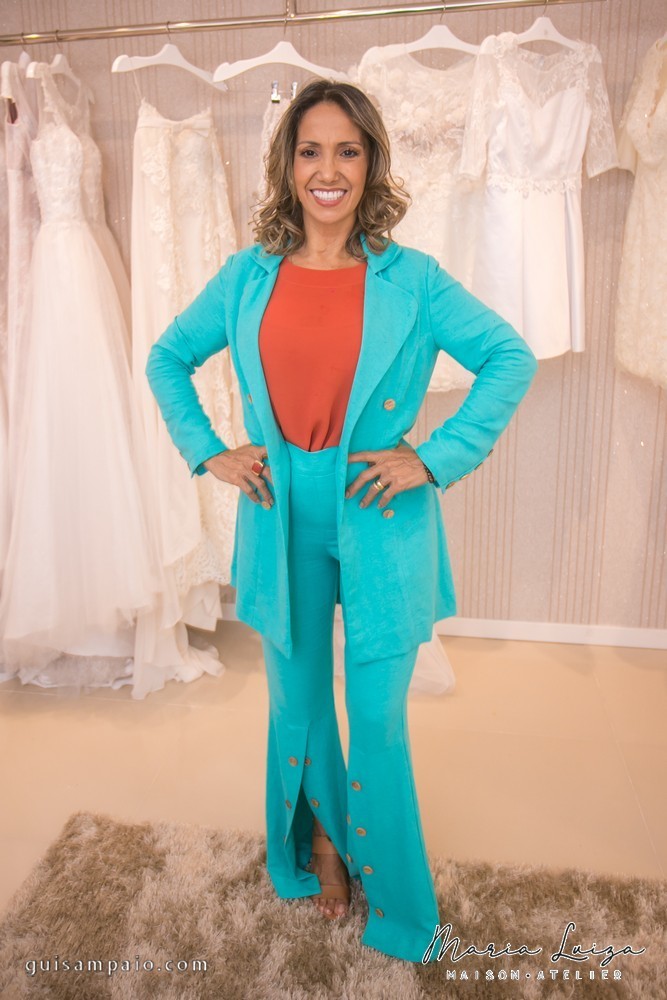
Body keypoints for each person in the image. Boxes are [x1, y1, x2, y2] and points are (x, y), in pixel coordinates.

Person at [146, 77, 538, 965]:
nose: (328, 170)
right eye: (311, 150)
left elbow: (508, 357)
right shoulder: (247, 275)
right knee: (296, 702)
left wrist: (431, 456)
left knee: (378, 718)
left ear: (370, 164)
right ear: (288, 166)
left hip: (383, 517)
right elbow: (167, 357)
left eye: (347, 151)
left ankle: (395, 895)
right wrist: (210, 450)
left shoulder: (414, 279)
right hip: (278, 513)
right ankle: (322, 848)